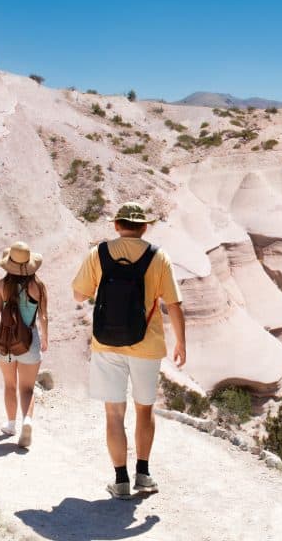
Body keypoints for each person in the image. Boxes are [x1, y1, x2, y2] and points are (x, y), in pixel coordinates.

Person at [71, 202, 186, 499]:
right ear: (144, 227)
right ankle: (143, 474)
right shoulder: (158, 257)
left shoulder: (99, 253)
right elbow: (173, 303)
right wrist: (181, 343)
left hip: (107, 344)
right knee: (144, 410)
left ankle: (120, 479)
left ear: (116, 225)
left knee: (113, 414)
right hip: (147, 346)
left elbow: (78, 294)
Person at [0, 242, 49, 448]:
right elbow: (43, 316)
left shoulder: (1, 285)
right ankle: (27, 421)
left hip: (5, 342)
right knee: (27, 388)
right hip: (29, 342)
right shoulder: (37, 286)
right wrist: (45, 338)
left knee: (10, 385)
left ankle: (11, 425)